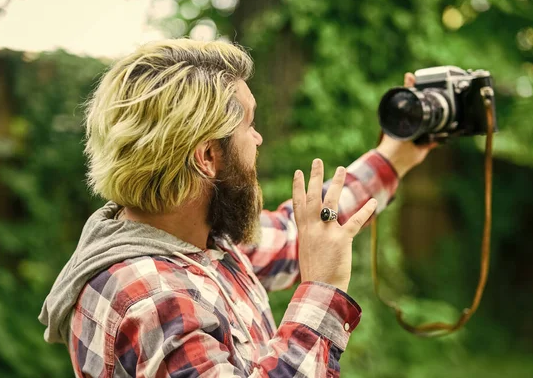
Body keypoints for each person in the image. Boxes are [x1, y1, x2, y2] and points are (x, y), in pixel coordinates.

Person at [39, 39, 434, 377]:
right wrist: (321, 291)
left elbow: (291, 236)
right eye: (249, 124)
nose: (259, 139)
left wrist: (393, 157)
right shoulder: (155, 299)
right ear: (207, 156)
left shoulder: (197, 241)